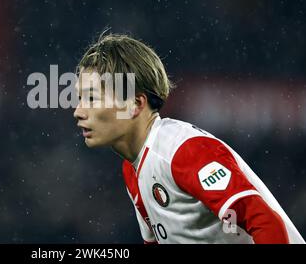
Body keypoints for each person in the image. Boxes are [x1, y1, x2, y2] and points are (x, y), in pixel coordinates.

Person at [73, 33, 305, 244]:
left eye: (92, 98)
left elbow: (266, 223)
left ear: (135, 104)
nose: (78, 111)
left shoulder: (182, 150)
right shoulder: (133, 167)